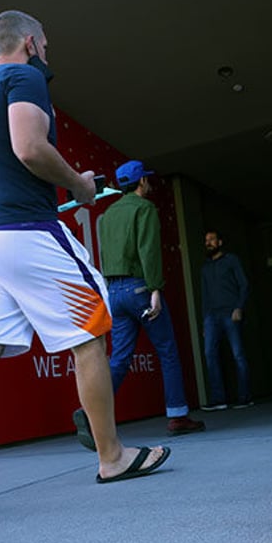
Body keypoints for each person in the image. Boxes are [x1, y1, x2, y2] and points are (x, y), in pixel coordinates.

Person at [0, 11, 170, 527]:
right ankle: (112, 457)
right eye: (46, 45)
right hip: (25, 235)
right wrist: (78, 183)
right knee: (93, 330)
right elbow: (28, 147)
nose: (48, 54)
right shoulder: (22, 75)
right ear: (29, 42)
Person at [72, 160, 204, 447]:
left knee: (119, 358)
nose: (149, 184)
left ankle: (90, 413)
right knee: (167, 350)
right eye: (147, 180)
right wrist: (155, 289)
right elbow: (148, 251)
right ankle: (178, 416)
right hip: (140, 288)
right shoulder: (144, 209)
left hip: (114, 293)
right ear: (141, 182)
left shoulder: (107, 216)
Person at [199, 230, 253, 411]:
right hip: (211, 317)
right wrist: (204, 321)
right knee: (209, 355)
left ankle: (245, 397)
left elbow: (244, 284)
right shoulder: (205, 268)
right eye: (206, 240)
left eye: (212, 239)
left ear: (220, 242)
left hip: (231, 312)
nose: (208, 243)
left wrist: (239, 307)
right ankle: (218, 399)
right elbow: (204, 296)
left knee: (238, 355)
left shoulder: (232, 260)